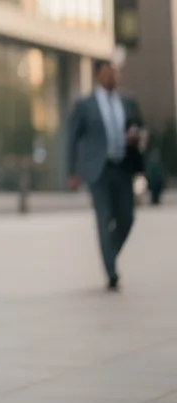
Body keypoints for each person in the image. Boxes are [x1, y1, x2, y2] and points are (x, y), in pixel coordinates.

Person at [67, 60, 146, 292]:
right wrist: (72, 172)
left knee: (126, 218)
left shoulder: (128, 101)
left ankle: (108, 254)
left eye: (114, 73)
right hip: (98, 170)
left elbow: (140, 127)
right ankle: (111, 272)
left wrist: (136, 135)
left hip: (123, 167)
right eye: (107, 73)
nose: (112, 77)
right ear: (96, 76)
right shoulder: (85, 105)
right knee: (104, 218)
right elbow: (72, 140)